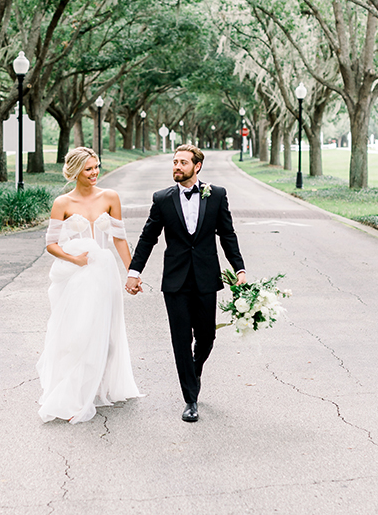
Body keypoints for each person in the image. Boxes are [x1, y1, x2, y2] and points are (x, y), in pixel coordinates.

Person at [126, 144, 246, 423]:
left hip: (206, 278)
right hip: (175, 281)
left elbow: (227, 234)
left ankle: (194, 370)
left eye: (182, 162)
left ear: (197, 166)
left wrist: (239, 268)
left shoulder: (216, 195)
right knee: (181, 340)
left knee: (206, 338)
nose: (177, 167)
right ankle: (190, 400)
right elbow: (148, 237)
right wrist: (134, 271)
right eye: (174, 162)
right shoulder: (162, 199)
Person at [37, 147, 141, 424]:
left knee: (106, 333)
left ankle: (99, 386)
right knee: (78, 331)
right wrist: (74, 259)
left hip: (105, 272)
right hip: (77, 275)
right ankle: (72, 394)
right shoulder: (62, 203)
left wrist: (133, 272)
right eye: (88, 169)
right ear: (74, 172)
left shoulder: (110, 197)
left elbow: (119, 239)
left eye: (96, 167)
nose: (94, 173)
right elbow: (50, 244)